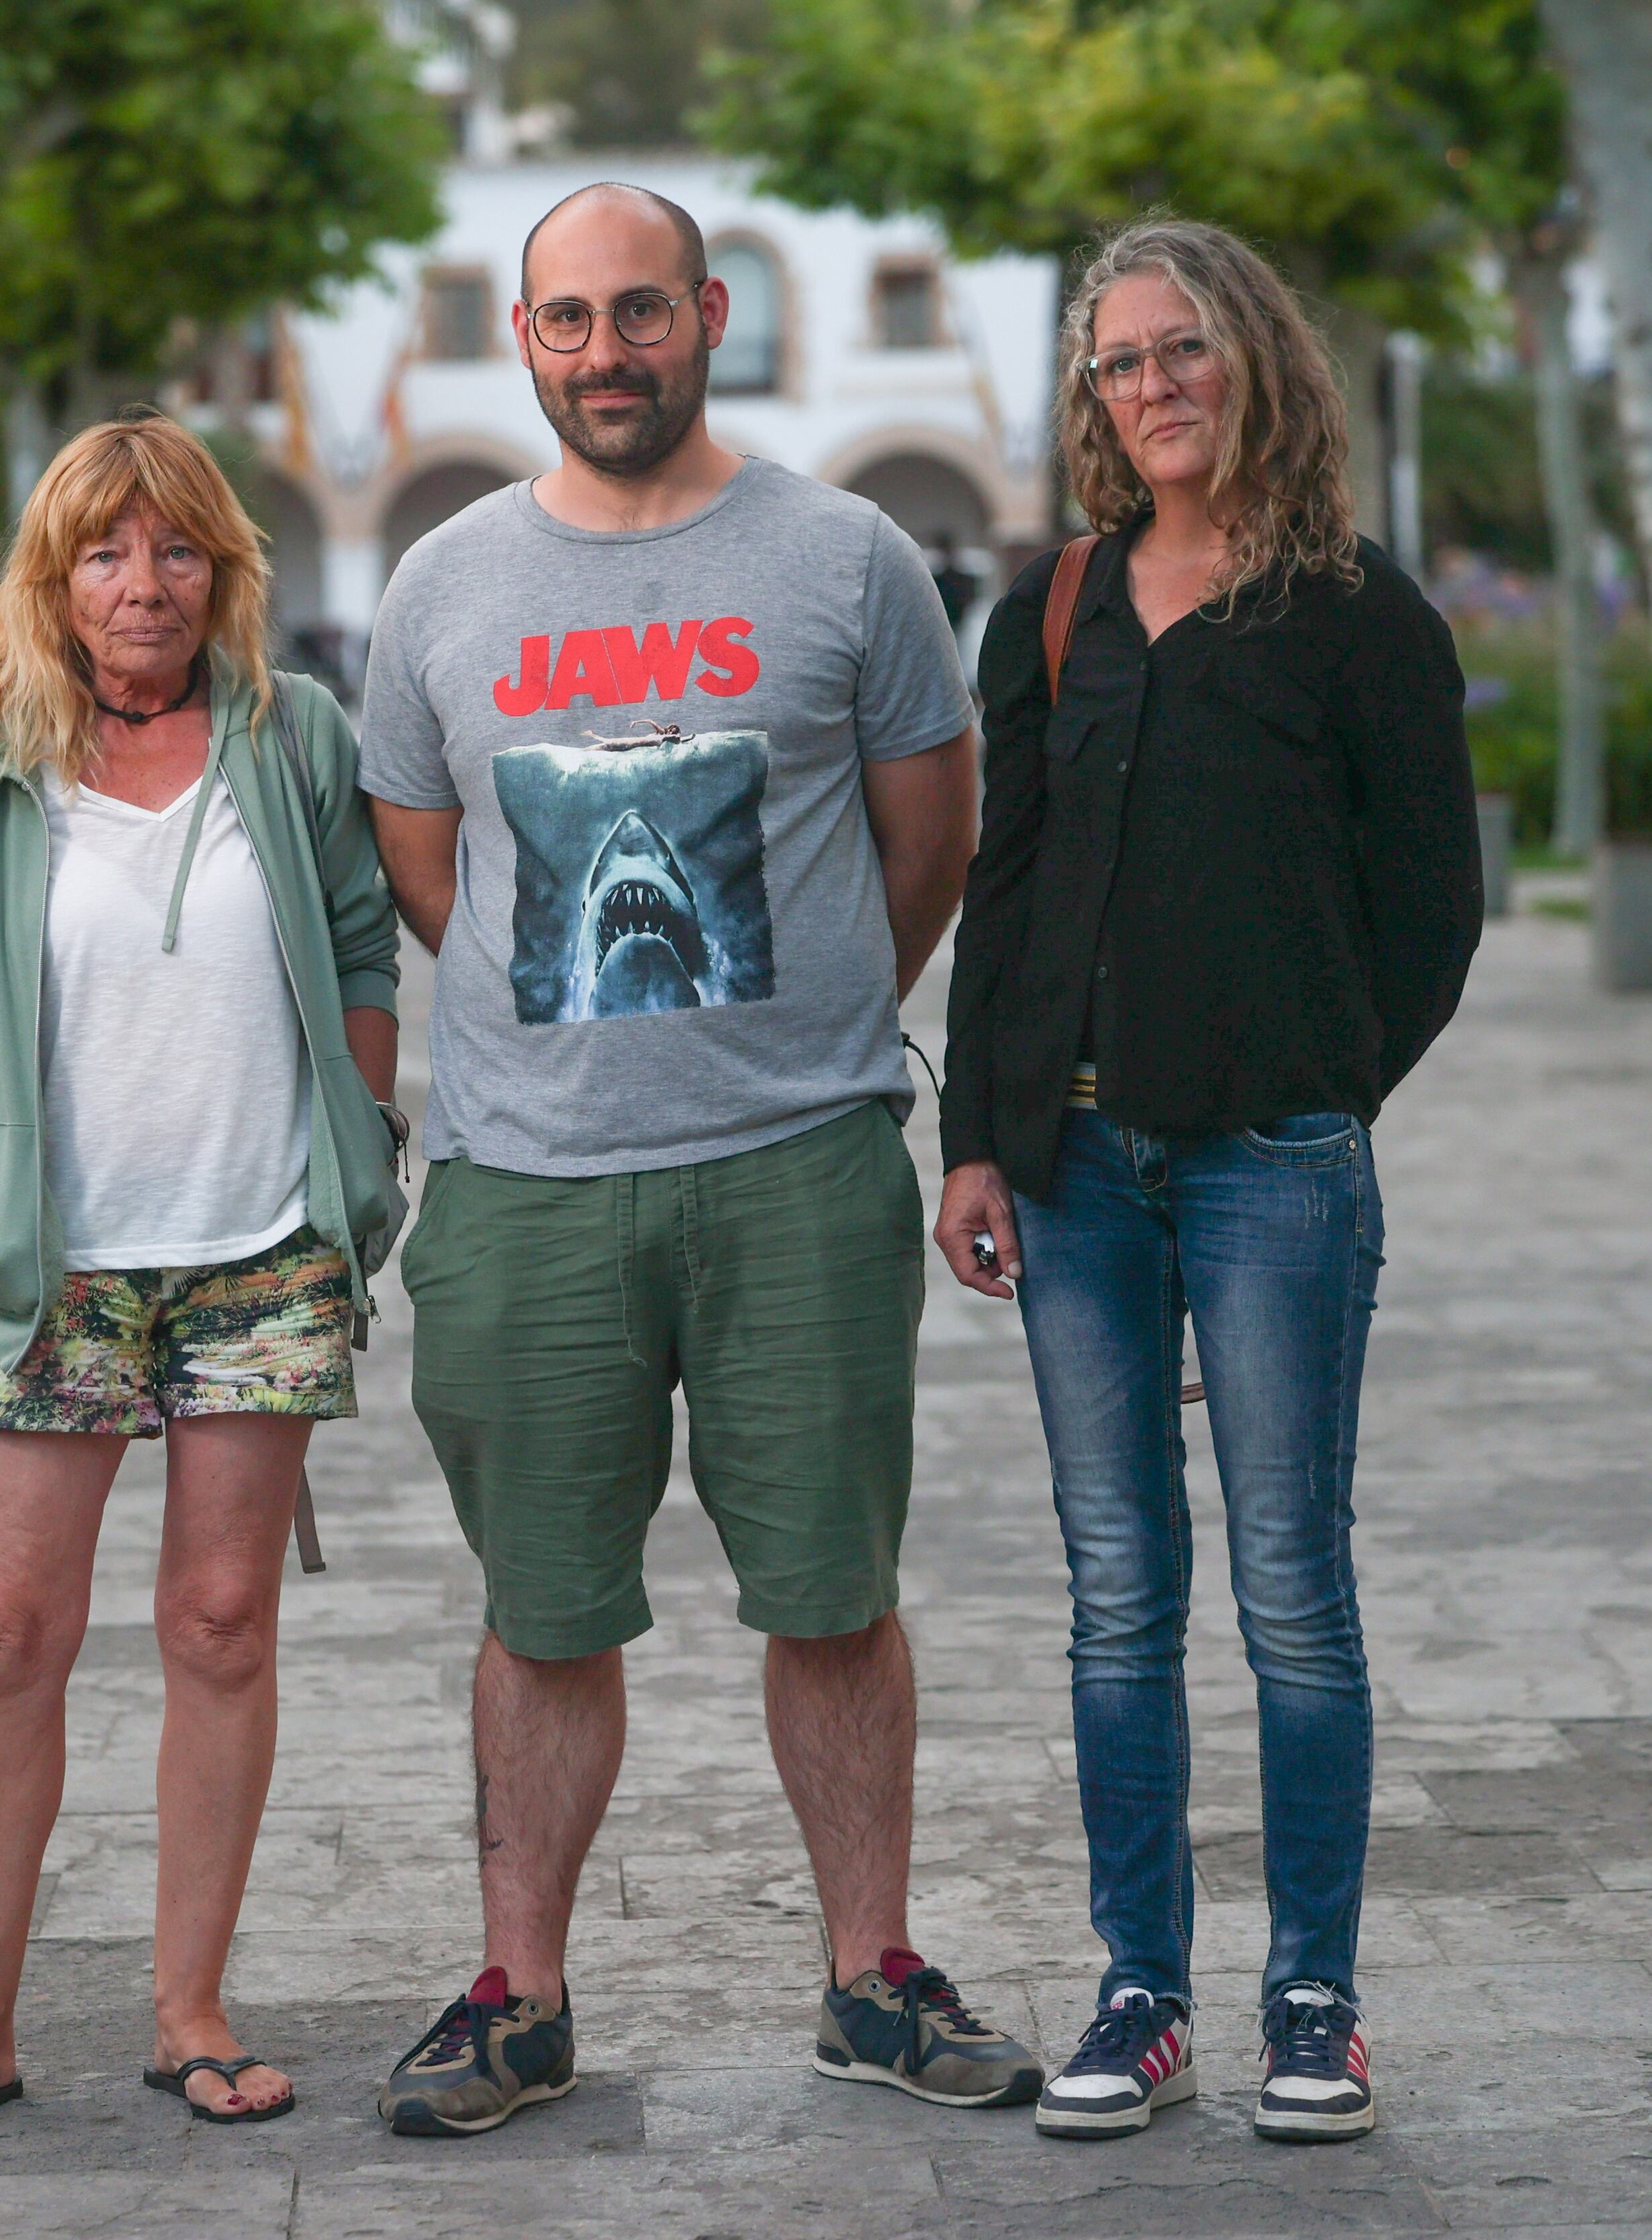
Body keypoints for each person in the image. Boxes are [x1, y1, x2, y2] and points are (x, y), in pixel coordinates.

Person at [360, 181, 1036, 2137]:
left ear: (711, 313)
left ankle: (874, 1974)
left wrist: (814, 1029)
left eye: (639, 312)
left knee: (833, 1588)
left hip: (794, 1171)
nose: (606, 352)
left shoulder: (846, 559)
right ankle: (520, 1993)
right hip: (525, 1187)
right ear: (524, 338)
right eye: (567, 321)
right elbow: (432, 867)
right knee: (542, 1608)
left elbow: (931, 847)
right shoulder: (443, 584)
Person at [936, 218, 1481, 2144]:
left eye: (1180, 349)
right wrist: (977, 1137)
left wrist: (1319, 1092)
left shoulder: (1358, 612)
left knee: (1293, 1591)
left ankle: (1313, 1993)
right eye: (1116, 361)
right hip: (1075, 1176)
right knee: (1113, 1592)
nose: (1149, 385)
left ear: (1254, 359)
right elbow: (1008, 891)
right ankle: (1142, 1986)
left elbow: (1433, 909)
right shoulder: (1058, 608)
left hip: (1275, 1174)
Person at [0, 413, 406, 2139]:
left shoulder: (294, 736)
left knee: (221, 1625)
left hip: (259, 1249)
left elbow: (367, 945)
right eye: (103, 551)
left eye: (172, 550)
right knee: (11, 1633)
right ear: (55, 577)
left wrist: (357, 1138)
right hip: (57, 1264)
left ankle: (188, 2008)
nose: (140, 584)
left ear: (220, 569)